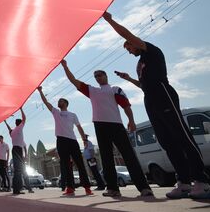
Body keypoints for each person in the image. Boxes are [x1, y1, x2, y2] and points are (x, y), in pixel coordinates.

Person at [102, 11, 210, 199]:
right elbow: (144, 85)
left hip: (163, 94)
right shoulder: (141, 63)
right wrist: (129, 79)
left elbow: (126, 35)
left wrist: (110, 20)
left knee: (181, 136)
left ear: (135, 43)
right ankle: (184, 182)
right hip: (150, 98)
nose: (128, 50)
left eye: (128, 47)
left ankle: (202, 180)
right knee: (167, 141)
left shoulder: (150, 51)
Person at [61, 59, 152, 197]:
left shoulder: (115, 89)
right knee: (106, 158)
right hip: (100, 125)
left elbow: (126, 105)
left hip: (116, 124)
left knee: (129, 155)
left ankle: (144, 187)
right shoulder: (92, 90)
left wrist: (131, 121)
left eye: (100, 75)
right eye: (96, 76)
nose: (98, 77)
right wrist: (65, 66)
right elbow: (73, 80)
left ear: (106, 76)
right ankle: (112, 188)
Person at [37, 86, 93, 196]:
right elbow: (46, 102)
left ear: (66, 104)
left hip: (72, 141)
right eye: (58, 101)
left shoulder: (73, 115)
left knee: (80, 164)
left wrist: (84, 139)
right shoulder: (56, 112)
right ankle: (70, 188)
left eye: (61, 101)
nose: (59, 102)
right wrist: (40, 91)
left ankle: (87, 187)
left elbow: (79, 127)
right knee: (66, 165)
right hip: (61, 141)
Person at [4, 107, 32, 195]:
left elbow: (9, 129)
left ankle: (17, 189)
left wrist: (5, 121)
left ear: (16, 123)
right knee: (19, 170)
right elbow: (24, 118)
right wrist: (21, 109)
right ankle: (17, 189)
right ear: (20, 124)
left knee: (18, 170)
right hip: (18, 150)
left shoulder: (13, 132)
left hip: (15, 150)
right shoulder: (19, 128)